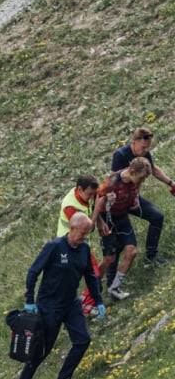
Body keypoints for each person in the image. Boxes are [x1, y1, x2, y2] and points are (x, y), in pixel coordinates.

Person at [11, 213, 105, 379]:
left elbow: (90, 275)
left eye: (87, 234)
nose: (84, 237)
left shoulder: (84, 249)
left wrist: (98, 300)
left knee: (82, 340)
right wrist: (29, 300)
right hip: (49, 306)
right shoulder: (54, 247)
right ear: (72, 228)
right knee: (42, 350)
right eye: (82, 233)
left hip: (71, 304)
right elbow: (33, 272)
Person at [110, 127, 175, 265]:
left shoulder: (144, 154)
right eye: (143, 147)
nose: (146, 150)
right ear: (134, 141)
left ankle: (151, 257)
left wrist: (171, 183)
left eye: (148, 147)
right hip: (117, 202)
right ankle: (112, 271)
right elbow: (113, 181)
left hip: (133, 198)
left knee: (157, 217)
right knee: (117, 243)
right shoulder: (120, 155)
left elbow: (154, 170)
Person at [94, 157, 153, 299]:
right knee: (109, 258)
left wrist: (135, 199)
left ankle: (115, 288)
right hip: (107, 220)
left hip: (122, 219)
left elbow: (136, 188)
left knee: (132, 252)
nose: (142, 181)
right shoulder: (112, 182)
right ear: (132, 171)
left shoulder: (136, 180)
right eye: (141, 178)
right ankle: (91, 291)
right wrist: (99, 222)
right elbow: (95, 202)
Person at [56, 175, 101, 314]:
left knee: (92, 275)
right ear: (80, 189)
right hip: (70, 246)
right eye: (90, 194)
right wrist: (98, 208)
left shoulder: (82, 192)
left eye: (94, 194)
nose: (92, 197)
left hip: (79, 243)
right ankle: (83, 306)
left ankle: (83, 304)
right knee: (91, 275)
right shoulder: (70, 206)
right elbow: (87, 228)